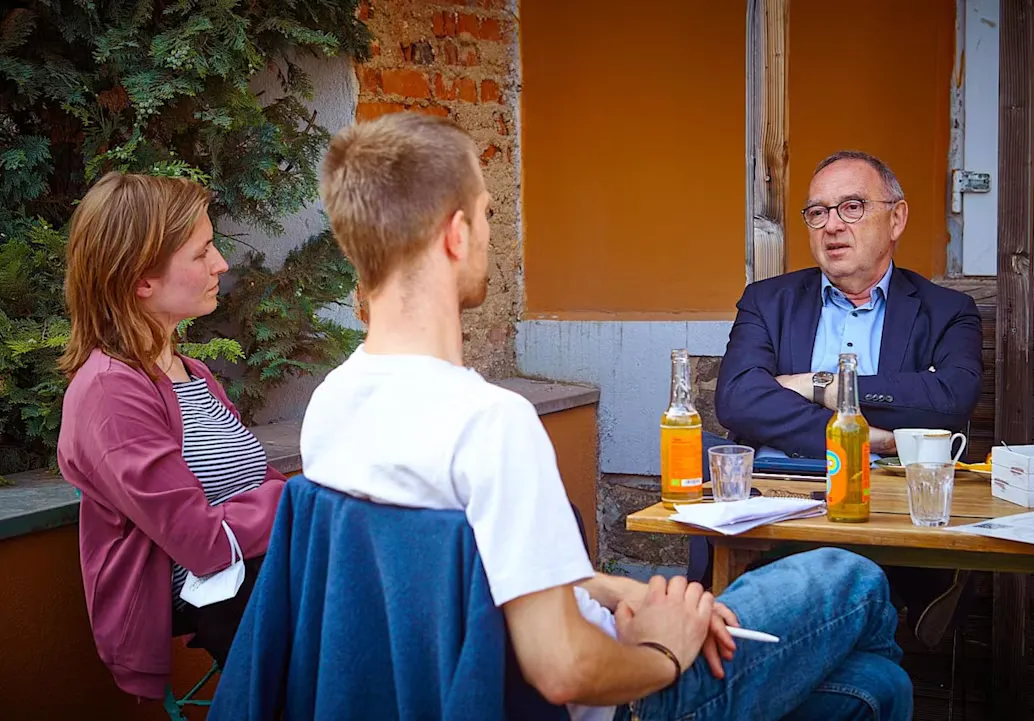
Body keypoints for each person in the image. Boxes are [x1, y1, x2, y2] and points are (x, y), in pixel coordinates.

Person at [300, 113, 913, 720]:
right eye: (488, 214)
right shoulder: (491, 424)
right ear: (456, 235)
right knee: (850, 575)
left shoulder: (330, 406)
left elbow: (477, 576)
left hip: (508, 665)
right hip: (632, 695)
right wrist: (665, 650)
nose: (493, 232)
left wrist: (626, 588)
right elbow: (565, 669)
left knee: (873, 684)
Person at [701, 150, 984, 647]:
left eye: (852, 207)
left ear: (895, 218)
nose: (832, 226)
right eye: (818, 212)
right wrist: (868, 439)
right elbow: (739, 398)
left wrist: (819, 384)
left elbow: (950, 399)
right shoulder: (767, 301)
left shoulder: (947, 312)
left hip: (887, 512)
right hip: (775, 501)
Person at [56, 172, 286, 700]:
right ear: (142, 280)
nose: (221, 264)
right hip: (212, 594)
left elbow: (259, 481)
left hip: (260, 574)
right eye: (202, 251)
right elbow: (201, 543)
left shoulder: (192, 373)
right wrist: (304, 497)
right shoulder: (110, 392)